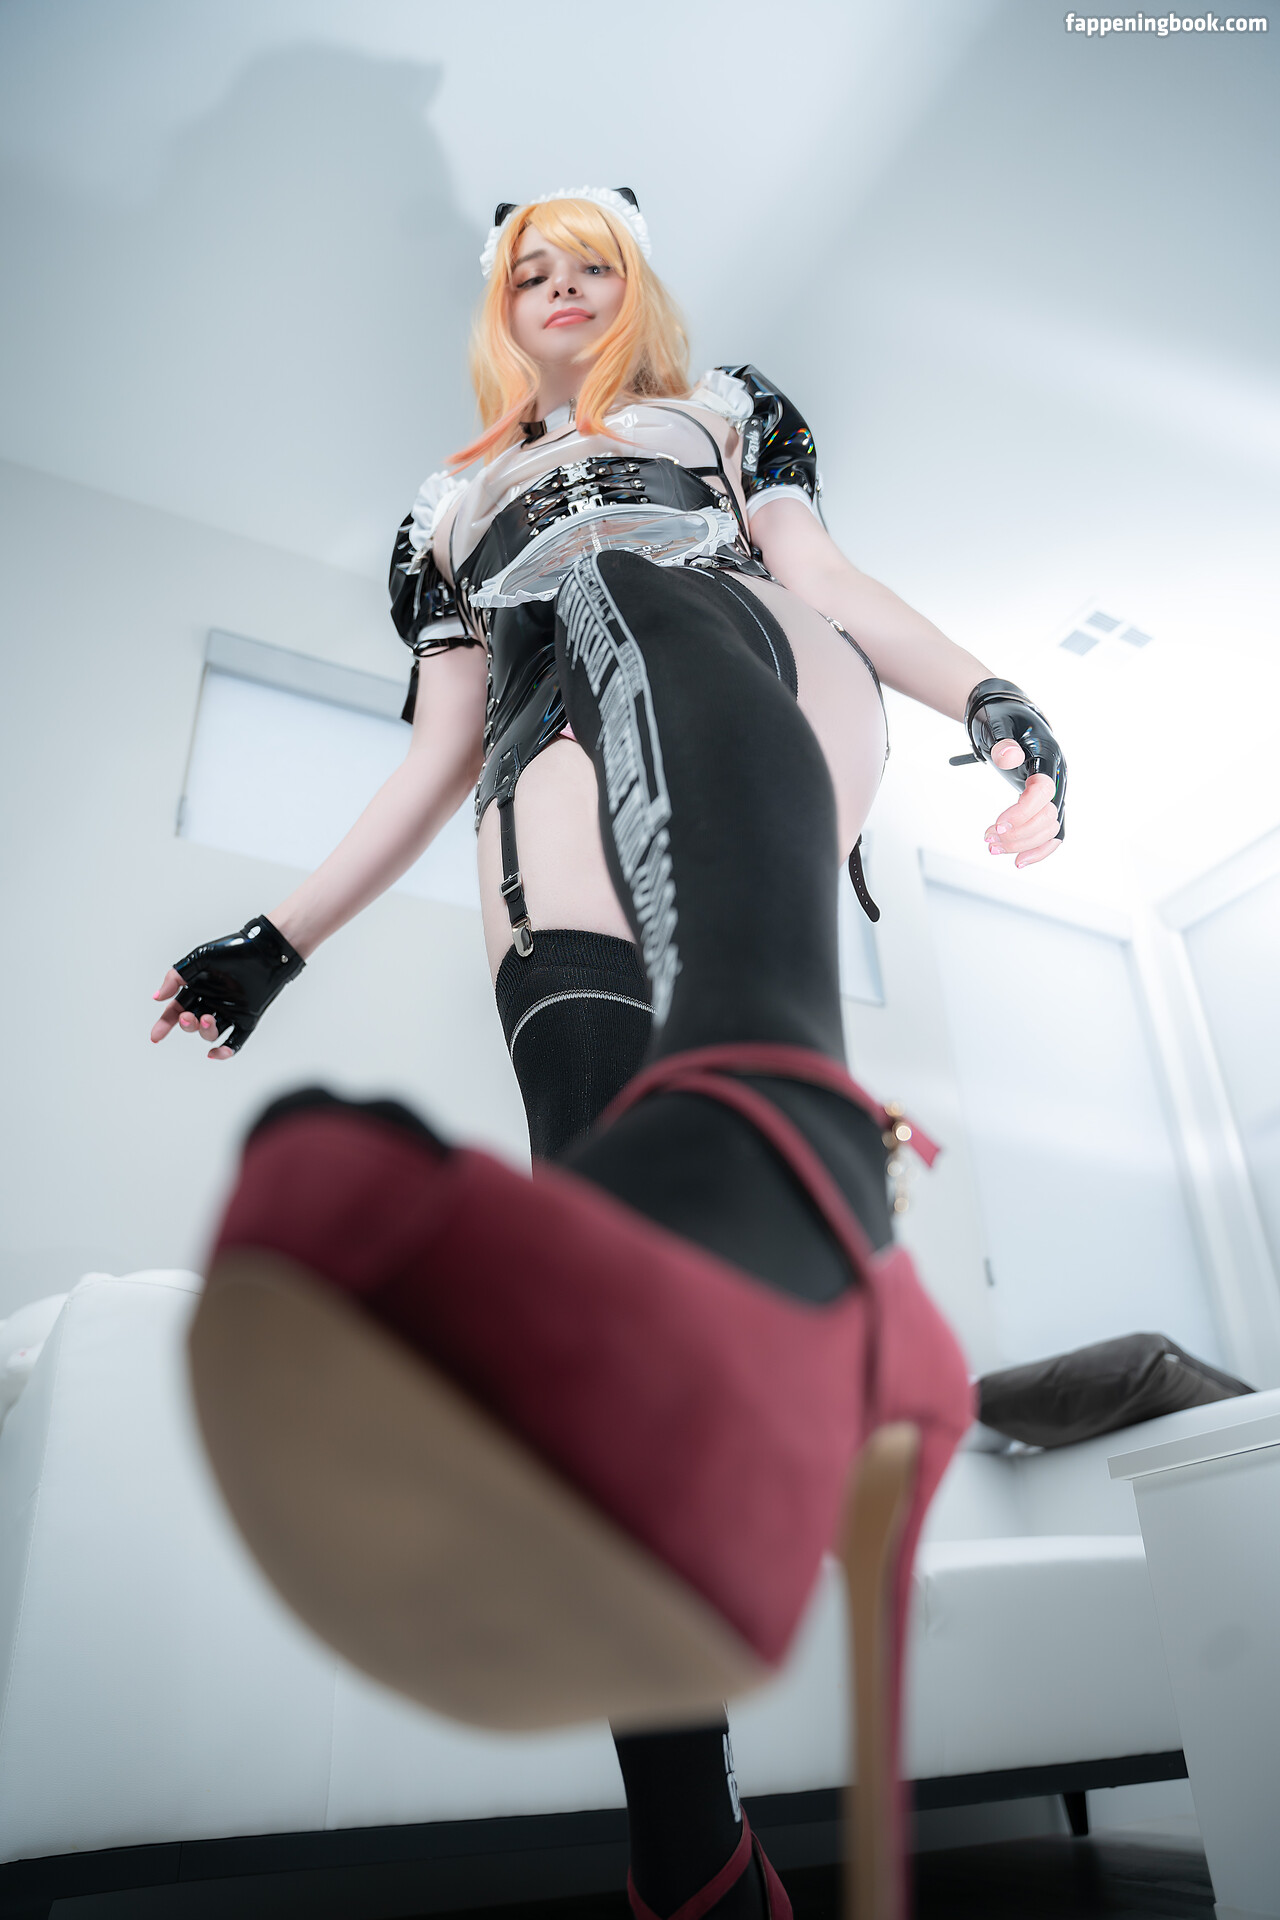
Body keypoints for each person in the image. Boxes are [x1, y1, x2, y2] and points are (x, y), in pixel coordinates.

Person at [156, 189, 1066, 1920]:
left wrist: (991, 696)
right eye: (534, 271)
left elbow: (821, 577)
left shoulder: (722, 408)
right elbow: (440, 748)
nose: (564, 288)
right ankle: (691, 1853)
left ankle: (777, 1118)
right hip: (542, 782)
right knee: (597, 1288)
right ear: (501, 306)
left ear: (635, 287)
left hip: (758, 683)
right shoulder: (440, 512)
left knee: (623, 584)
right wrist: (279, 938)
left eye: (595, 265)